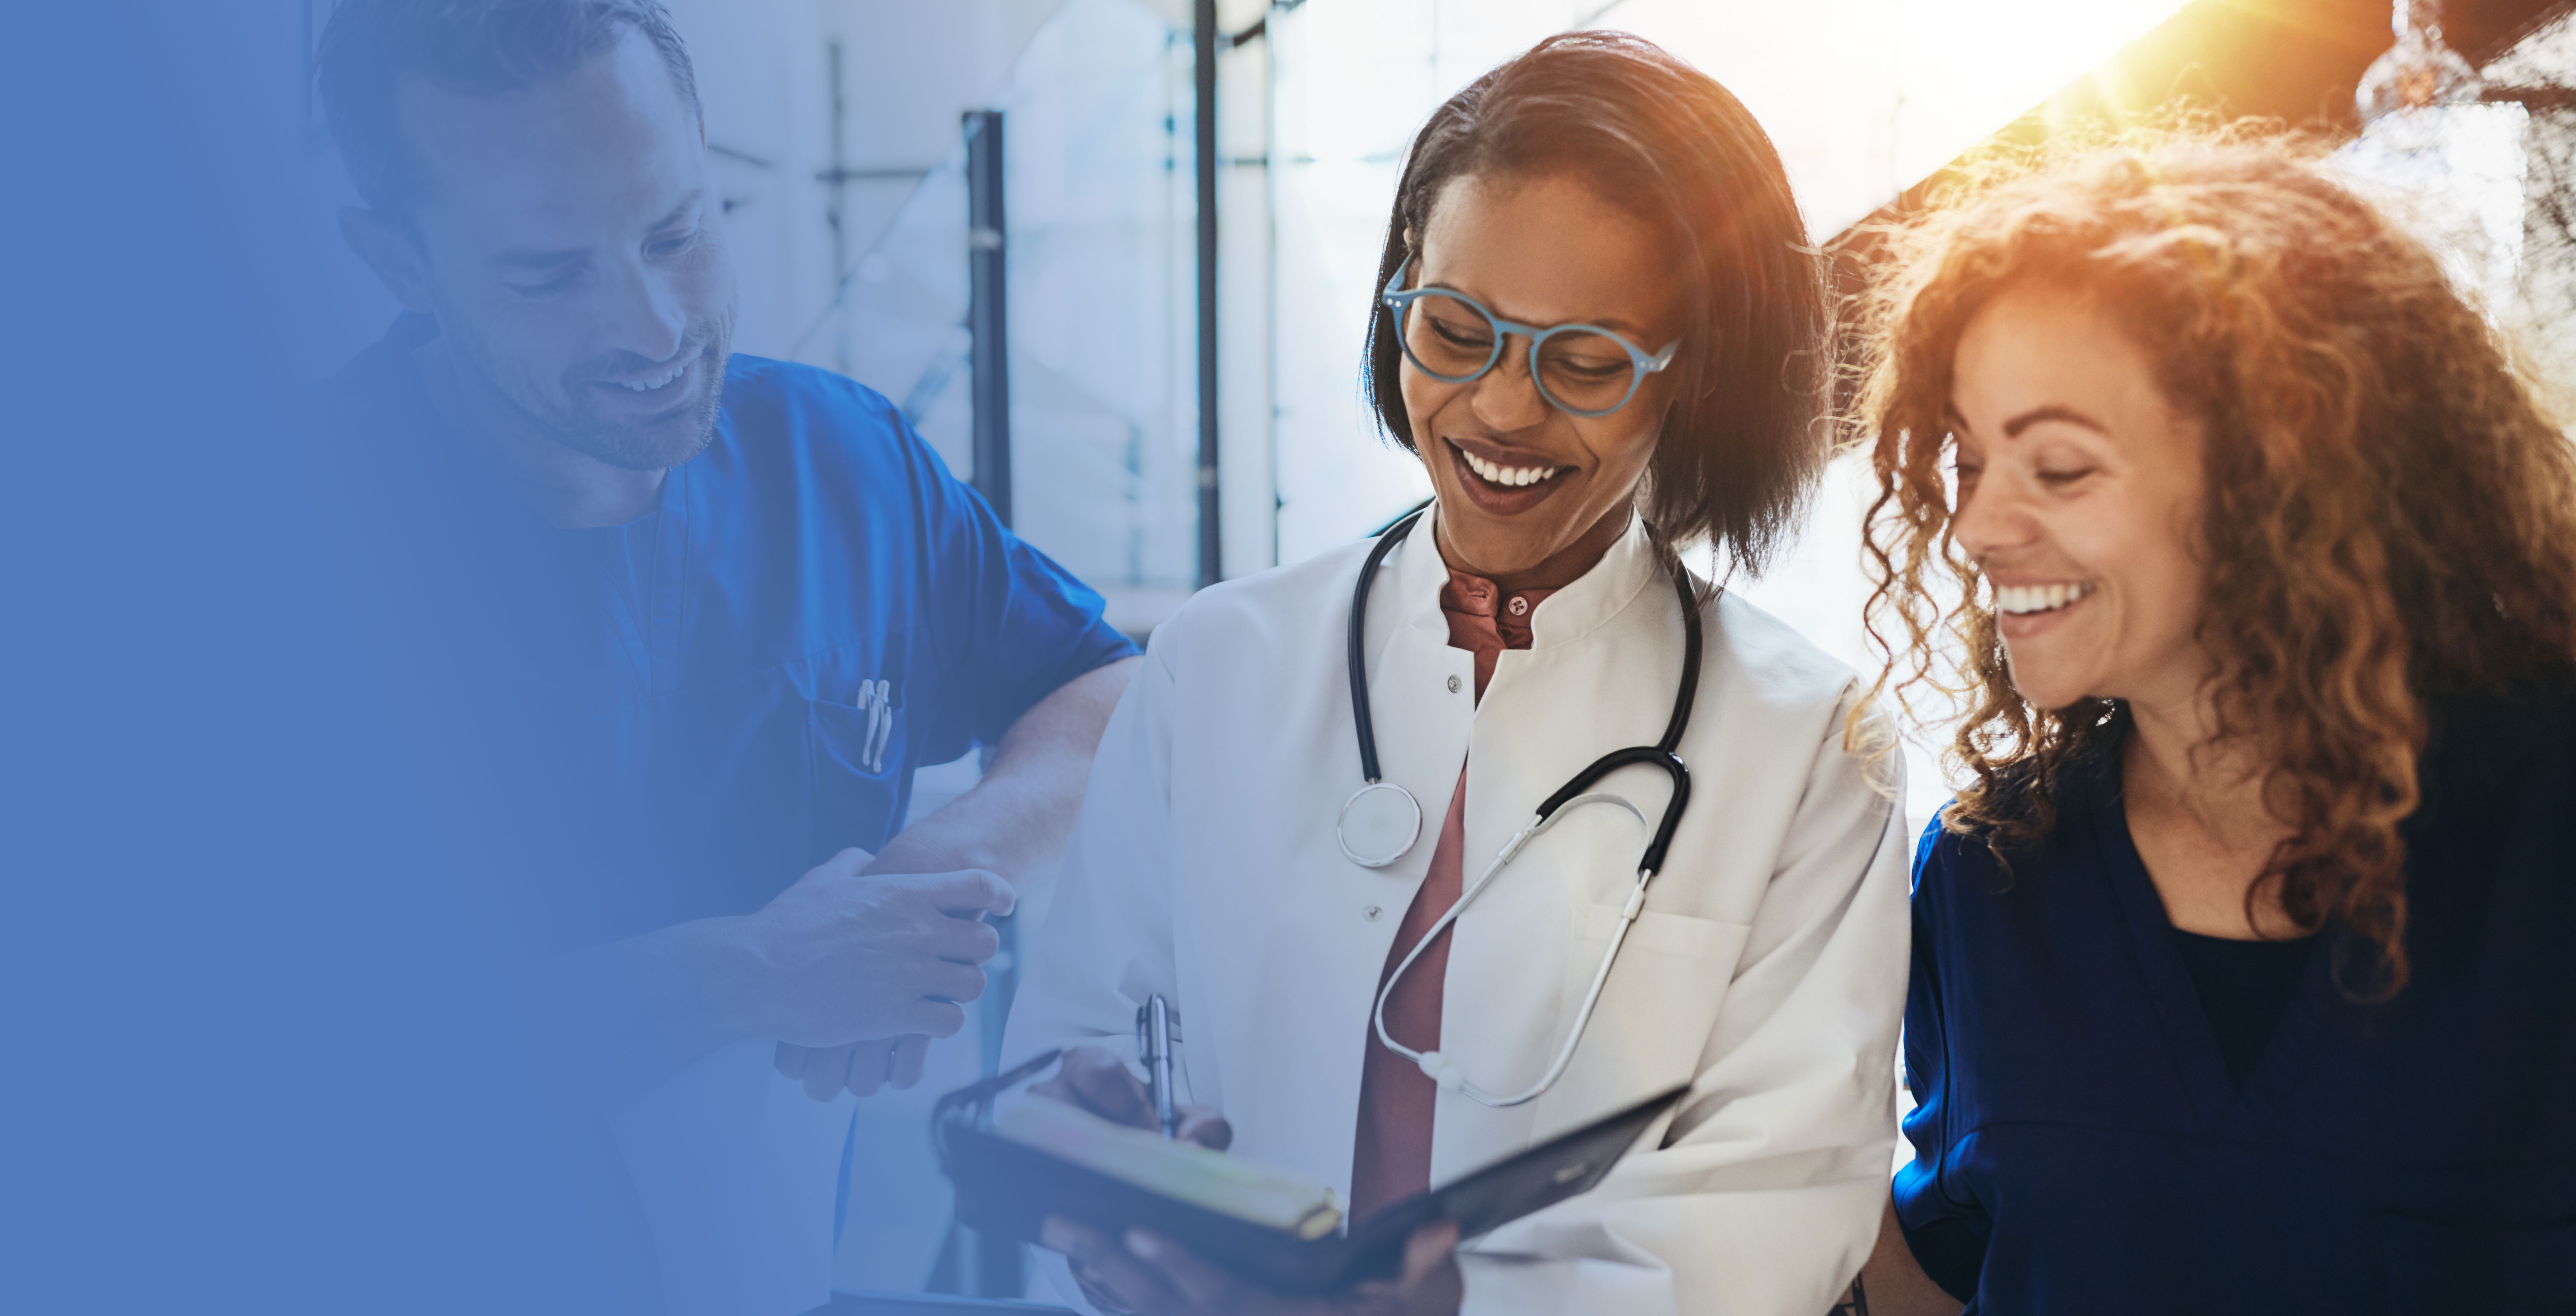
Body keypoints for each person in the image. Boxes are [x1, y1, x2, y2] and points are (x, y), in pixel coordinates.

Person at [1001, 31, 1910, 1316]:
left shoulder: (1809, 743)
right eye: (1454, 329)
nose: (1497, 410)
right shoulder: (1217, 662)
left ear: (1689, 376)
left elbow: (1773, 1198)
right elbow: (1081, 1035)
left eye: (1583, 361)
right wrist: (1085, 1157)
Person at [308, 2, 1142, 1312]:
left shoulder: (838, 460)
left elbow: (1098, 691)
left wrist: (933, 875)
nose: (651, 326)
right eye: (548, 274)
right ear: (399, 262)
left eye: (677, 231)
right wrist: (754, 975)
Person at [1851, 133, 2576, 1314]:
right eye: (1969, 461)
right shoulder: (1987, 882)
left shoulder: (2547, 828)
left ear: (2271, 478)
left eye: (2059, 469)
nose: (1977, 526)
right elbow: (1946, 1269)